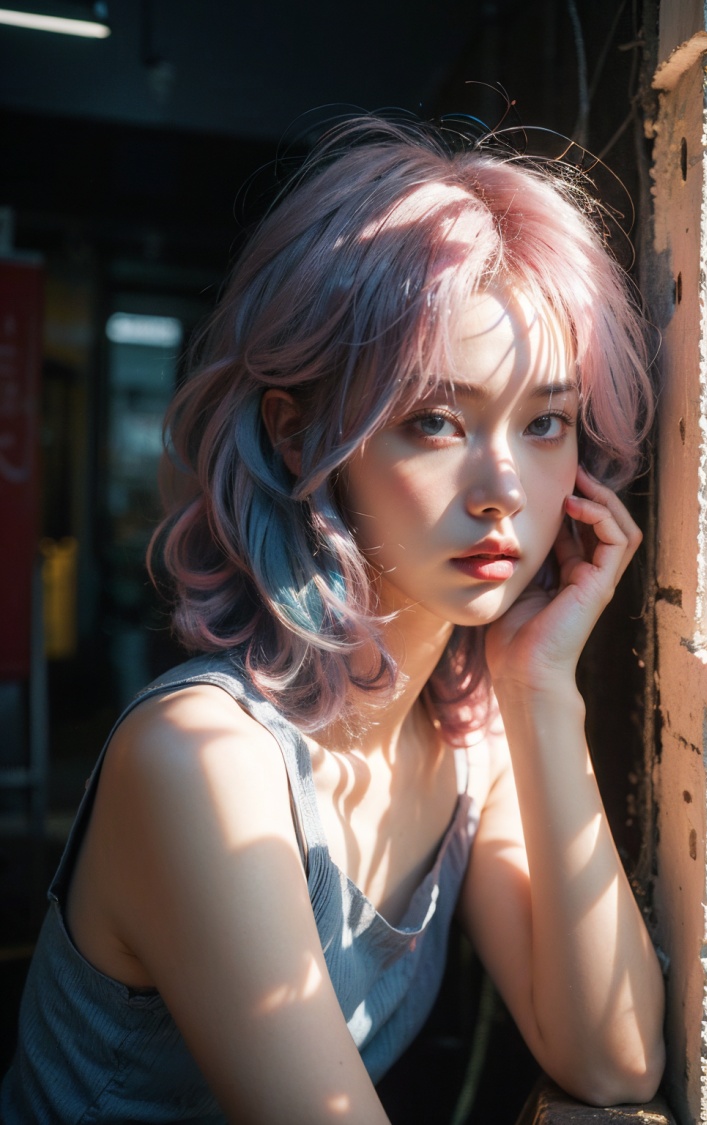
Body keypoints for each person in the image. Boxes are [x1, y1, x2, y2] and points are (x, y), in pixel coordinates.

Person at [2, 115, 665, 1123]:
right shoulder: (202, 762)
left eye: (545, 422)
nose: (501, 490)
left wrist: (540, 690)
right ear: (305, 432)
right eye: (435, 419)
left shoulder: (463, 737)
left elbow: (615, 1061)